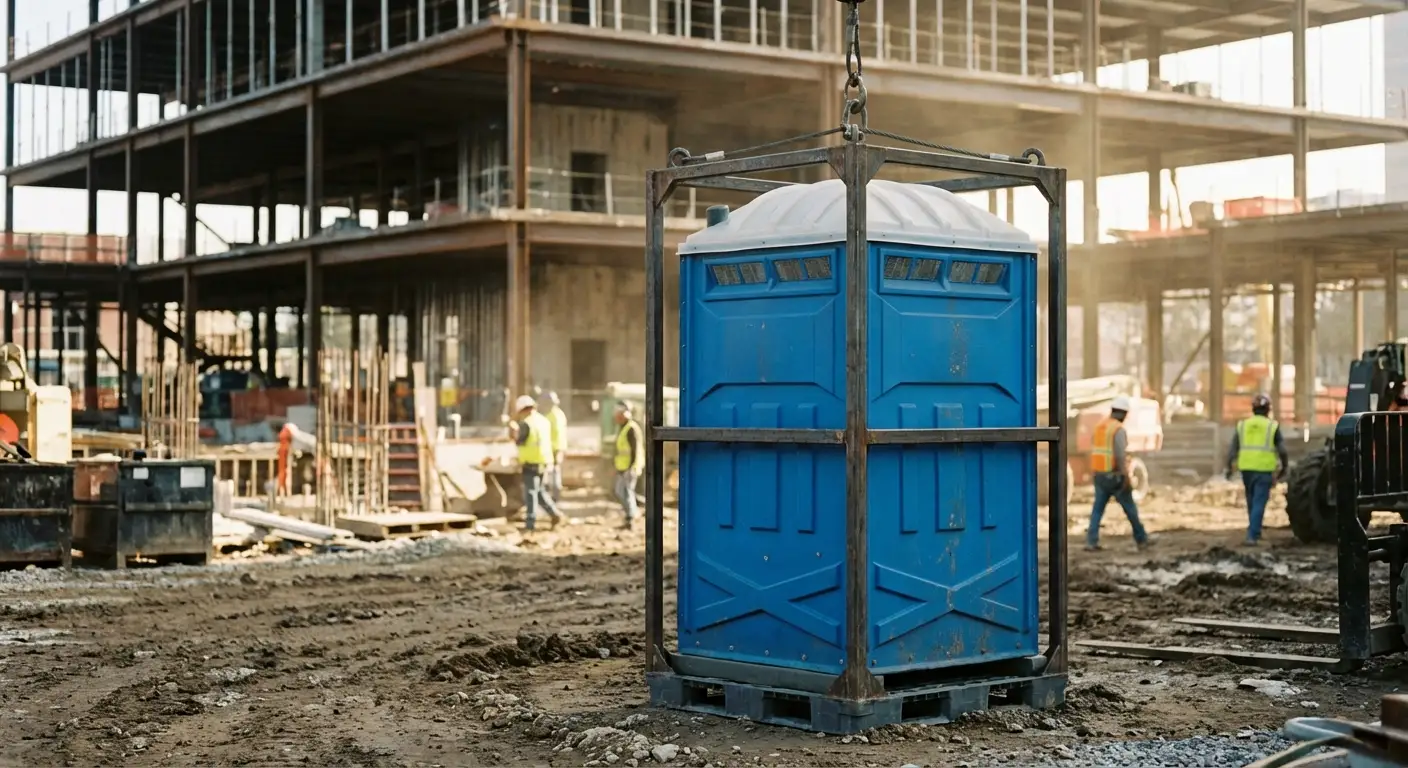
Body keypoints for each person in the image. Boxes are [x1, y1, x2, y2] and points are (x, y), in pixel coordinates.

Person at [1085, 396, 1154, 552]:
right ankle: (1141, 539)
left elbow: (1094, 450)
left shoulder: (1100, 426)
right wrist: (1126, 477)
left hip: (1099, 474)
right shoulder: (1118, 430)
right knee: (1130, 508)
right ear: (1123, 413)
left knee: (1097, 510)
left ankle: (1091, 541)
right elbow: (1120, 456)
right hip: (1114, 476)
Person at [1225, 393, 1289, 547]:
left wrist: (1229, 467)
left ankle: (1255, 530)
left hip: (1246, 468)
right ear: (1268, 410)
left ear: (1253, 409)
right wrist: (1284, 467)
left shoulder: (1243, 425)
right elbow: (1282, 450)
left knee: (1251, 501)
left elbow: (1233, 449)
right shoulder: (1272, 426)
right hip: (1264, 469)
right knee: (1259, 502)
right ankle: (1252, 536)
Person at [509, 394, 564, 532]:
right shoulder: (543, 420)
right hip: (544, 461)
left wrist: (514, 433)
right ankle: (554, 514)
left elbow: (520, 441)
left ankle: (530, 524)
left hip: (531, 462)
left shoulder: (525, 423)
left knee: (531, 493)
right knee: (539, 492)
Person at [612, 402, 644, 530]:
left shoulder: (631, 428)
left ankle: (631, 518)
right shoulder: (622, 427)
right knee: (620, 491)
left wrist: (630, 467)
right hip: (622, 467)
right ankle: (631, 514)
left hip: (630, 467)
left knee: (627, 492)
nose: (616, 417)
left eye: (619, 414)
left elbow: (634, 450)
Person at [541, 391, 568, 501]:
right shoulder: (560, 414)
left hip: (553, 447)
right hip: (561, 447)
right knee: (556, 471)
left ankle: (553, 495)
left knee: (551, 471)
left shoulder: (549, 417)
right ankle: (556, 494)